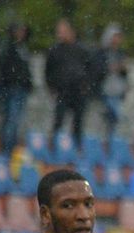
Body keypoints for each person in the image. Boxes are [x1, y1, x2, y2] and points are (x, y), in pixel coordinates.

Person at [46, 19, 92, 148]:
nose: (61, 34)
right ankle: (54, 147)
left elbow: (90, 70)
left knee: (78, 122)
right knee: (58, 120)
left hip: (78, 91)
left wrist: (86, 86)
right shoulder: (54, 50)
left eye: (63, 31)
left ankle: (77, 148)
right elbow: (48, 71)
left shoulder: (82, 50)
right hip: (62, 91)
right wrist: (52, 87)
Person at [0, 23, 34, 154]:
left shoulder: (23, 48)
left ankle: (12, 149)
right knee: (11, 119)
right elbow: (6, 69)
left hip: (22, 88)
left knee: (17, 120)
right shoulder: (9, 48)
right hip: (12, 88)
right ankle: (7, 150)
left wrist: (28, 83)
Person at [93, 24, 129, 141]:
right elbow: (96, 70)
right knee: (112, 114)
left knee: (113, 118)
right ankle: (106, 139)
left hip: (117, 90)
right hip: (105, 89)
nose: (116, 40)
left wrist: (123, 70)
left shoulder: (120, 53)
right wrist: (109, 68)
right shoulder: (101, 53)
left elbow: (124, 74)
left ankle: (110, 139)